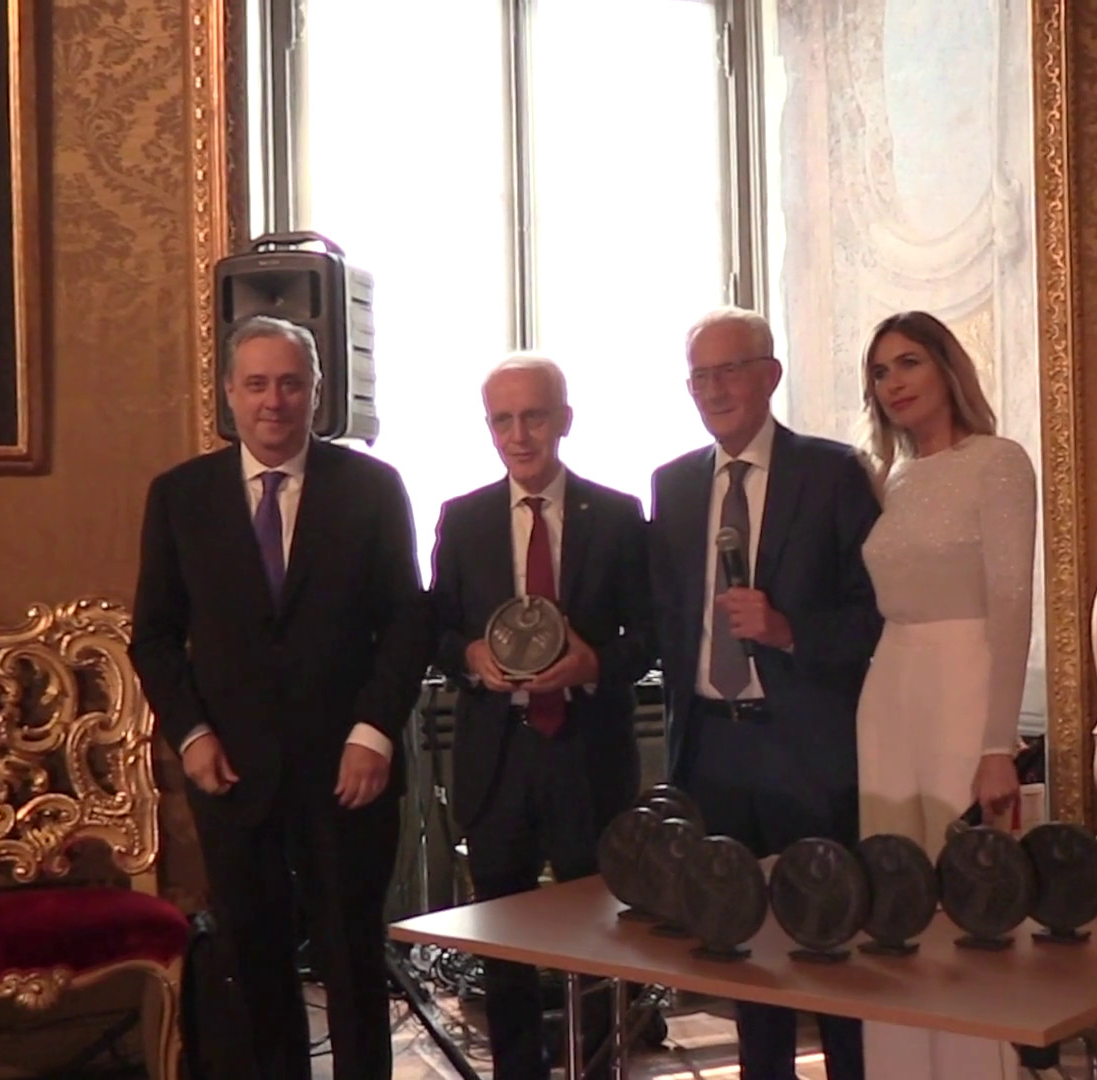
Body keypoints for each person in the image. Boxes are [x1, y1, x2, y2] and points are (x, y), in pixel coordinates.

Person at [129, 315, 431, 1080]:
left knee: (352, 958)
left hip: (348, 770)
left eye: (291, 384)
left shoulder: (372, 488)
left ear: (316, 393)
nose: (275, 401)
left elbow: (407, 622)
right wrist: (192, 735)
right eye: (258, 384)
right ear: (230, 393)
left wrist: (373, 732)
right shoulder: (179, 496)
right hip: (232, 772)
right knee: (254, 961)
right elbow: (154, 637)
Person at [647, 306, 880, 1080]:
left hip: (806, 746)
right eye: (700, 377)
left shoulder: (833, 473)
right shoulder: (673, 485)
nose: (714, 390)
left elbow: (874, 614)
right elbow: (664, 614)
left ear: (770, 375)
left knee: (828, 939)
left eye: (731, 370)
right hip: (711, 748)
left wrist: (787, 631)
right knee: (740, 947)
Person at [428, 354, 655, 1079]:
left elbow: (651, 634)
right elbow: (433, 628)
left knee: (601, 932)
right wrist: (470, 654)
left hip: (588, 753)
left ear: (564, 420)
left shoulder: (617, 516)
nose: (519, 435)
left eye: (533, 417)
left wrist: (594, 666)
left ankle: (600, 1065)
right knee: (505, 940)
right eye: (503, 420)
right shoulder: (462, 519)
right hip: (498, 755)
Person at [854, 310, 1036, 1079]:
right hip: (888, 689)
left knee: (969, 894)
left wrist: (998, 744)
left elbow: (1013, 604)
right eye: (880, 372)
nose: (893, 383)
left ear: (945, 368)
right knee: (892, 895)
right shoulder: (886, 479)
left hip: (966, 679)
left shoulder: (997, 462)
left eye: (909, 363)